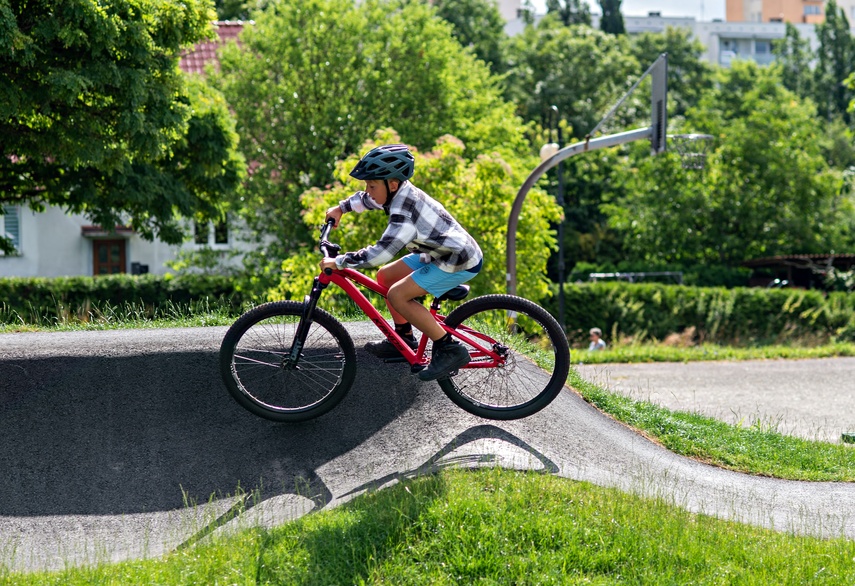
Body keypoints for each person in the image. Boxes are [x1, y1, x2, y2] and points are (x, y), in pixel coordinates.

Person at [321, 144, 483, 381]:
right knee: (385, 277)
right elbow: (371, 200)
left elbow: (381, 253)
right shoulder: (396, 192)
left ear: (392, 184)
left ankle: (449, 348)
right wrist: (341, 208)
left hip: (457, 259)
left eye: (372, 185)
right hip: (438, 251)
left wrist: (342, 261)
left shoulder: (403, 213)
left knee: (397, 295)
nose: (368, 190)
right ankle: (404, 337)